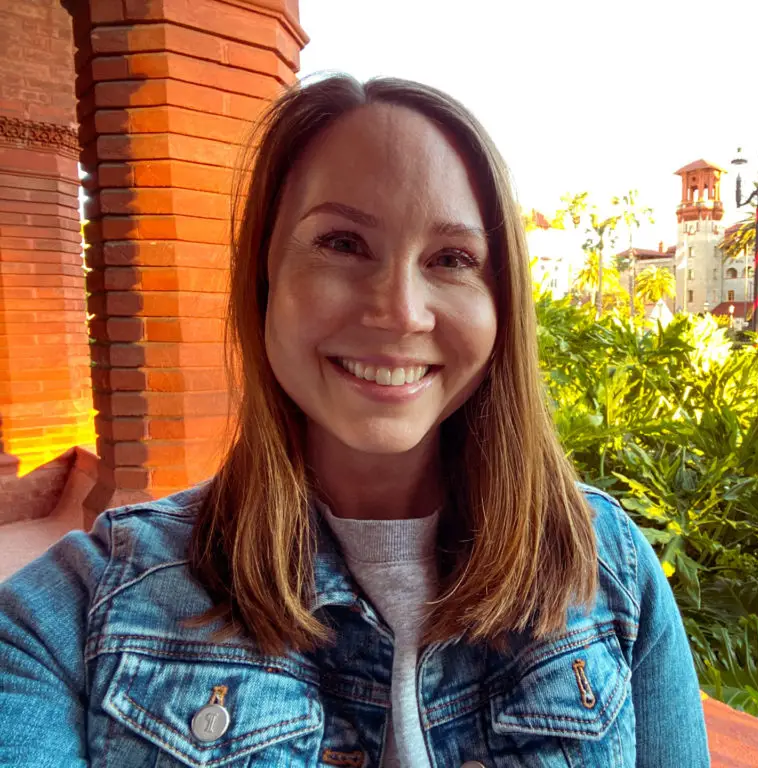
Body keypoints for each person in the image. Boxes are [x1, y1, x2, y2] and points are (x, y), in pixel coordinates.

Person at [0, 74, 710, 767]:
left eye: (452, 259)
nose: (399, 310)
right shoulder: (72, 615)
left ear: (501, 305)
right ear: (264, 278)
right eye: (341, 243)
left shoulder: (608, 569)